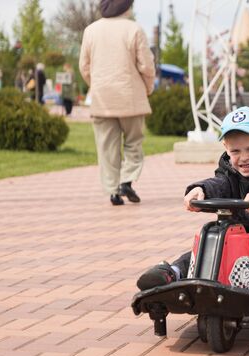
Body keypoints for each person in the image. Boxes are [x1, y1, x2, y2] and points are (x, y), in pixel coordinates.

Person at [136, 106, 249, 305]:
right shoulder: (229, 173)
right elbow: (219, 184)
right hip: (243, 244)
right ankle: (171, 274)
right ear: (226, 149)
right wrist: (201, 189)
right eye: (235, 151)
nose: (244, 157)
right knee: (207, 246)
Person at [80, 0, 156, 205]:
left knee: (106, 147)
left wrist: (95, 85)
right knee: (134, 142)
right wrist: (147, 88)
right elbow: (147, 66)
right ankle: (126, 181)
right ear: (126, 7)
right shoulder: (134, 29)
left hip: (102, 98)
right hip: (130, 96)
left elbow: (84, 66)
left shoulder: (91, 30)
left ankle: (112, 190)